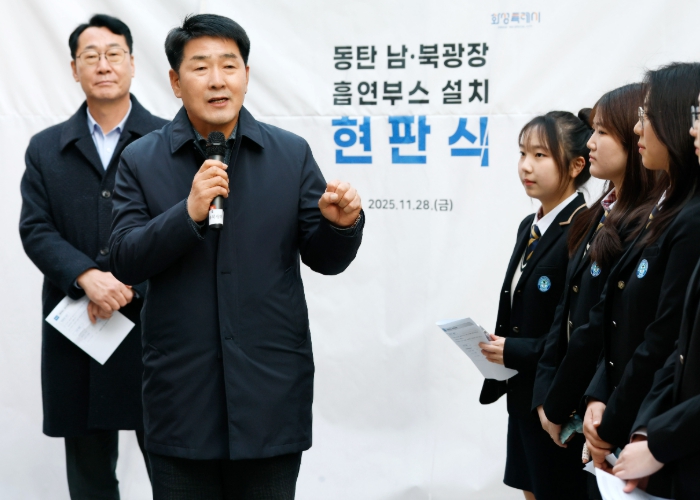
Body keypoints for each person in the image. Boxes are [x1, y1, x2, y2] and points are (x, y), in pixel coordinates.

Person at [109, 14, 364, 499]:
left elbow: (326, 259)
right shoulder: (141, 160)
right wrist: (186, 213)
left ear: (246, 75)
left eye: (229, 65)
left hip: (269, 399)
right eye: (200, 67)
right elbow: (124, 258)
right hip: (181, 401)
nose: (217, 80)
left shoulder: (290, 154)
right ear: (175, 82)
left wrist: (341, 225)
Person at [18, 14, 166, 500]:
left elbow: (182, 229)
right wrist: (86, 276)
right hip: (78, 324)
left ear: (132, 63)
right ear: (74, 68)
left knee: (174, 467)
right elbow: (36, 228)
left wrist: (126, 285)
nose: (104, 65)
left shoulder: (167, 141)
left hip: (154, 326)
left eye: (114, 54)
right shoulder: (46, 148)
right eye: (91, 56)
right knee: (89, 476)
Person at [582, 62, 700, 498]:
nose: (637, 129)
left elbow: (663, 340)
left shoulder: (689, 220)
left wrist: (639, 431)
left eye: (645, 116)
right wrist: (601, 400)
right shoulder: (666, 210)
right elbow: (615, 319)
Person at [533, 83, 655, 443]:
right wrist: (546, 396)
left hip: (601, 411)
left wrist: (563, 401)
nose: (590, 143)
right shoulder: (597, 214)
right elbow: (565, 313)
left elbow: (600, 326)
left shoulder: (649, 223)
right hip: (566, 404)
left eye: (602, 132)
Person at [478, 111, 590, 500]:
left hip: (557, 403)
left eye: (540, 155)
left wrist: (514, 350)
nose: (526, 166)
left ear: (576, 165)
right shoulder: (530, 225)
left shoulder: (586, 228)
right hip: (522, 397)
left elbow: (579, 333)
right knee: (530, 490)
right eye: (523, 153)